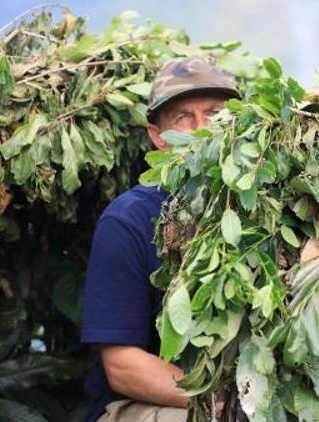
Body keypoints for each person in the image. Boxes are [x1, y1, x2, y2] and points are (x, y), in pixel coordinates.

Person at [81, 56, 240, 422]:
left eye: (215, 115)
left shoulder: (256, 209)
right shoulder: (129, 221)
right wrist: (219, 403)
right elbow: (122, 366)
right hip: (140, 408)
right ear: (157, 137)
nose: (202, 129)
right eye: (183, 118)